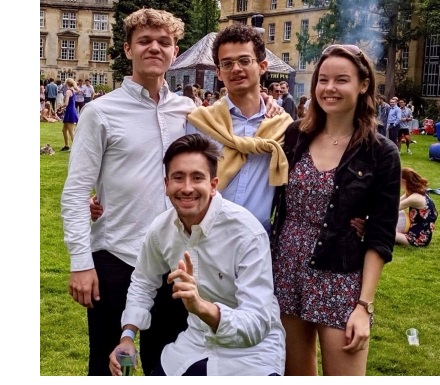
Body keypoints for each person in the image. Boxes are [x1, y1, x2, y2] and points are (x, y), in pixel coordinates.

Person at [61, 8, 196, 376]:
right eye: (145, 41)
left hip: (174, 263)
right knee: (107, 367)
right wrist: (81, 262)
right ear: (127, 49)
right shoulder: (101, 112)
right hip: (117, 258)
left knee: (168, 366)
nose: (155, 48)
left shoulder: (189, 111)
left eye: (164, 42)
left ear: (174, 51)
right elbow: (75, 192)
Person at [270, 44, 401, 376]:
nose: (329, 88)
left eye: (341, 80)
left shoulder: (380, 152)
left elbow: (381, 235)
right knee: (295, 375)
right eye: (322, 79)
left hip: (339, 277)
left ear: (363, 84)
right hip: (286, 271)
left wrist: (363, 306)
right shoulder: (296, 135)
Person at [109, 134, 286, 376]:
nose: (187, 188)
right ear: (166, 183)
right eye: (178, 178)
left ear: (213, 185)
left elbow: (257, 324)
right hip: (194, 343)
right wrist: (127, 336)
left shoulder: (247, 233)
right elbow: (143, 281)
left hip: (252, 353)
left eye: (197, 178)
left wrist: (201, 307)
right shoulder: (161, 229)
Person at [186, 23, 293, 233]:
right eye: (227, 63)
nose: (236, 69)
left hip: (258, 239)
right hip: (206, 236)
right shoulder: (200, 123)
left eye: (245, 61)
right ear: (218, 72)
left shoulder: (283, 128)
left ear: (262, 66)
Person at [395, 167, 438, 247]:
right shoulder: (415, 191)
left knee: (384, 233)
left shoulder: (415, 198)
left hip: (418, 238)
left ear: (404, 181)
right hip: (414, 231)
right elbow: (394, 203)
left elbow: (393, 209)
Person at [61, 78, 79, 151]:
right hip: (70, 110)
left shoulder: (68, 91)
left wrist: (60, 106)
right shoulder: (73, 90)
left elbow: (66, 103)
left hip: (70, 111)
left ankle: (76, 148)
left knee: (71, 131)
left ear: (67, 83)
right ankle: (66, 146)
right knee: (64, 130)